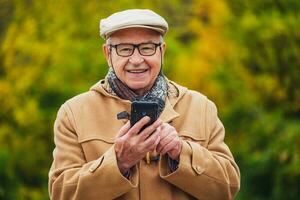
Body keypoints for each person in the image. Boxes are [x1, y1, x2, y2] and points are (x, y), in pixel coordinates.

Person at [48, 9, 240, 200]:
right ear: (108, 54)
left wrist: (181, 151)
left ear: (162, 51)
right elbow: (61, 193)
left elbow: (227, 188)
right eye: (125, 49)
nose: (137, 60)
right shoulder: (73, 113)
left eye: (147, 48)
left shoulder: (201, 108)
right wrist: (119, 162)